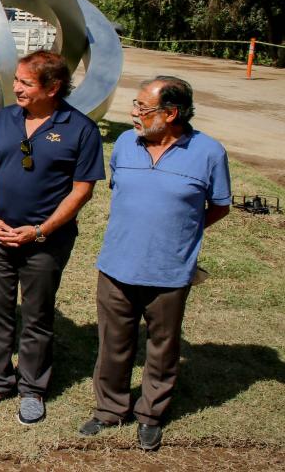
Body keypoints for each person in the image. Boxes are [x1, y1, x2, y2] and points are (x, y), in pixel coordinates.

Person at [79, 76, 231, 450]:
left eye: (142, 108)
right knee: (113, 342)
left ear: (171, 113)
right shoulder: (124, 147)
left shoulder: (210, 153)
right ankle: (109, 409)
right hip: (117, 265)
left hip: (170, 271)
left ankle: (150, 415)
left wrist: (182, 232)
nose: (133, 113)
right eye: (134, 104)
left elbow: (220, 206)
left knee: (162, 347)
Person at [0, 51, 104, 425]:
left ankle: (32, 389)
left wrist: (41, 230)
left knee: (38, 315)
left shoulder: (80, 129)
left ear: (53, 88)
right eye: (17, 80)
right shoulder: (5, 119)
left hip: (45, 241)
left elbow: (81, 190)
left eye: (26, 82)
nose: (16, 88)